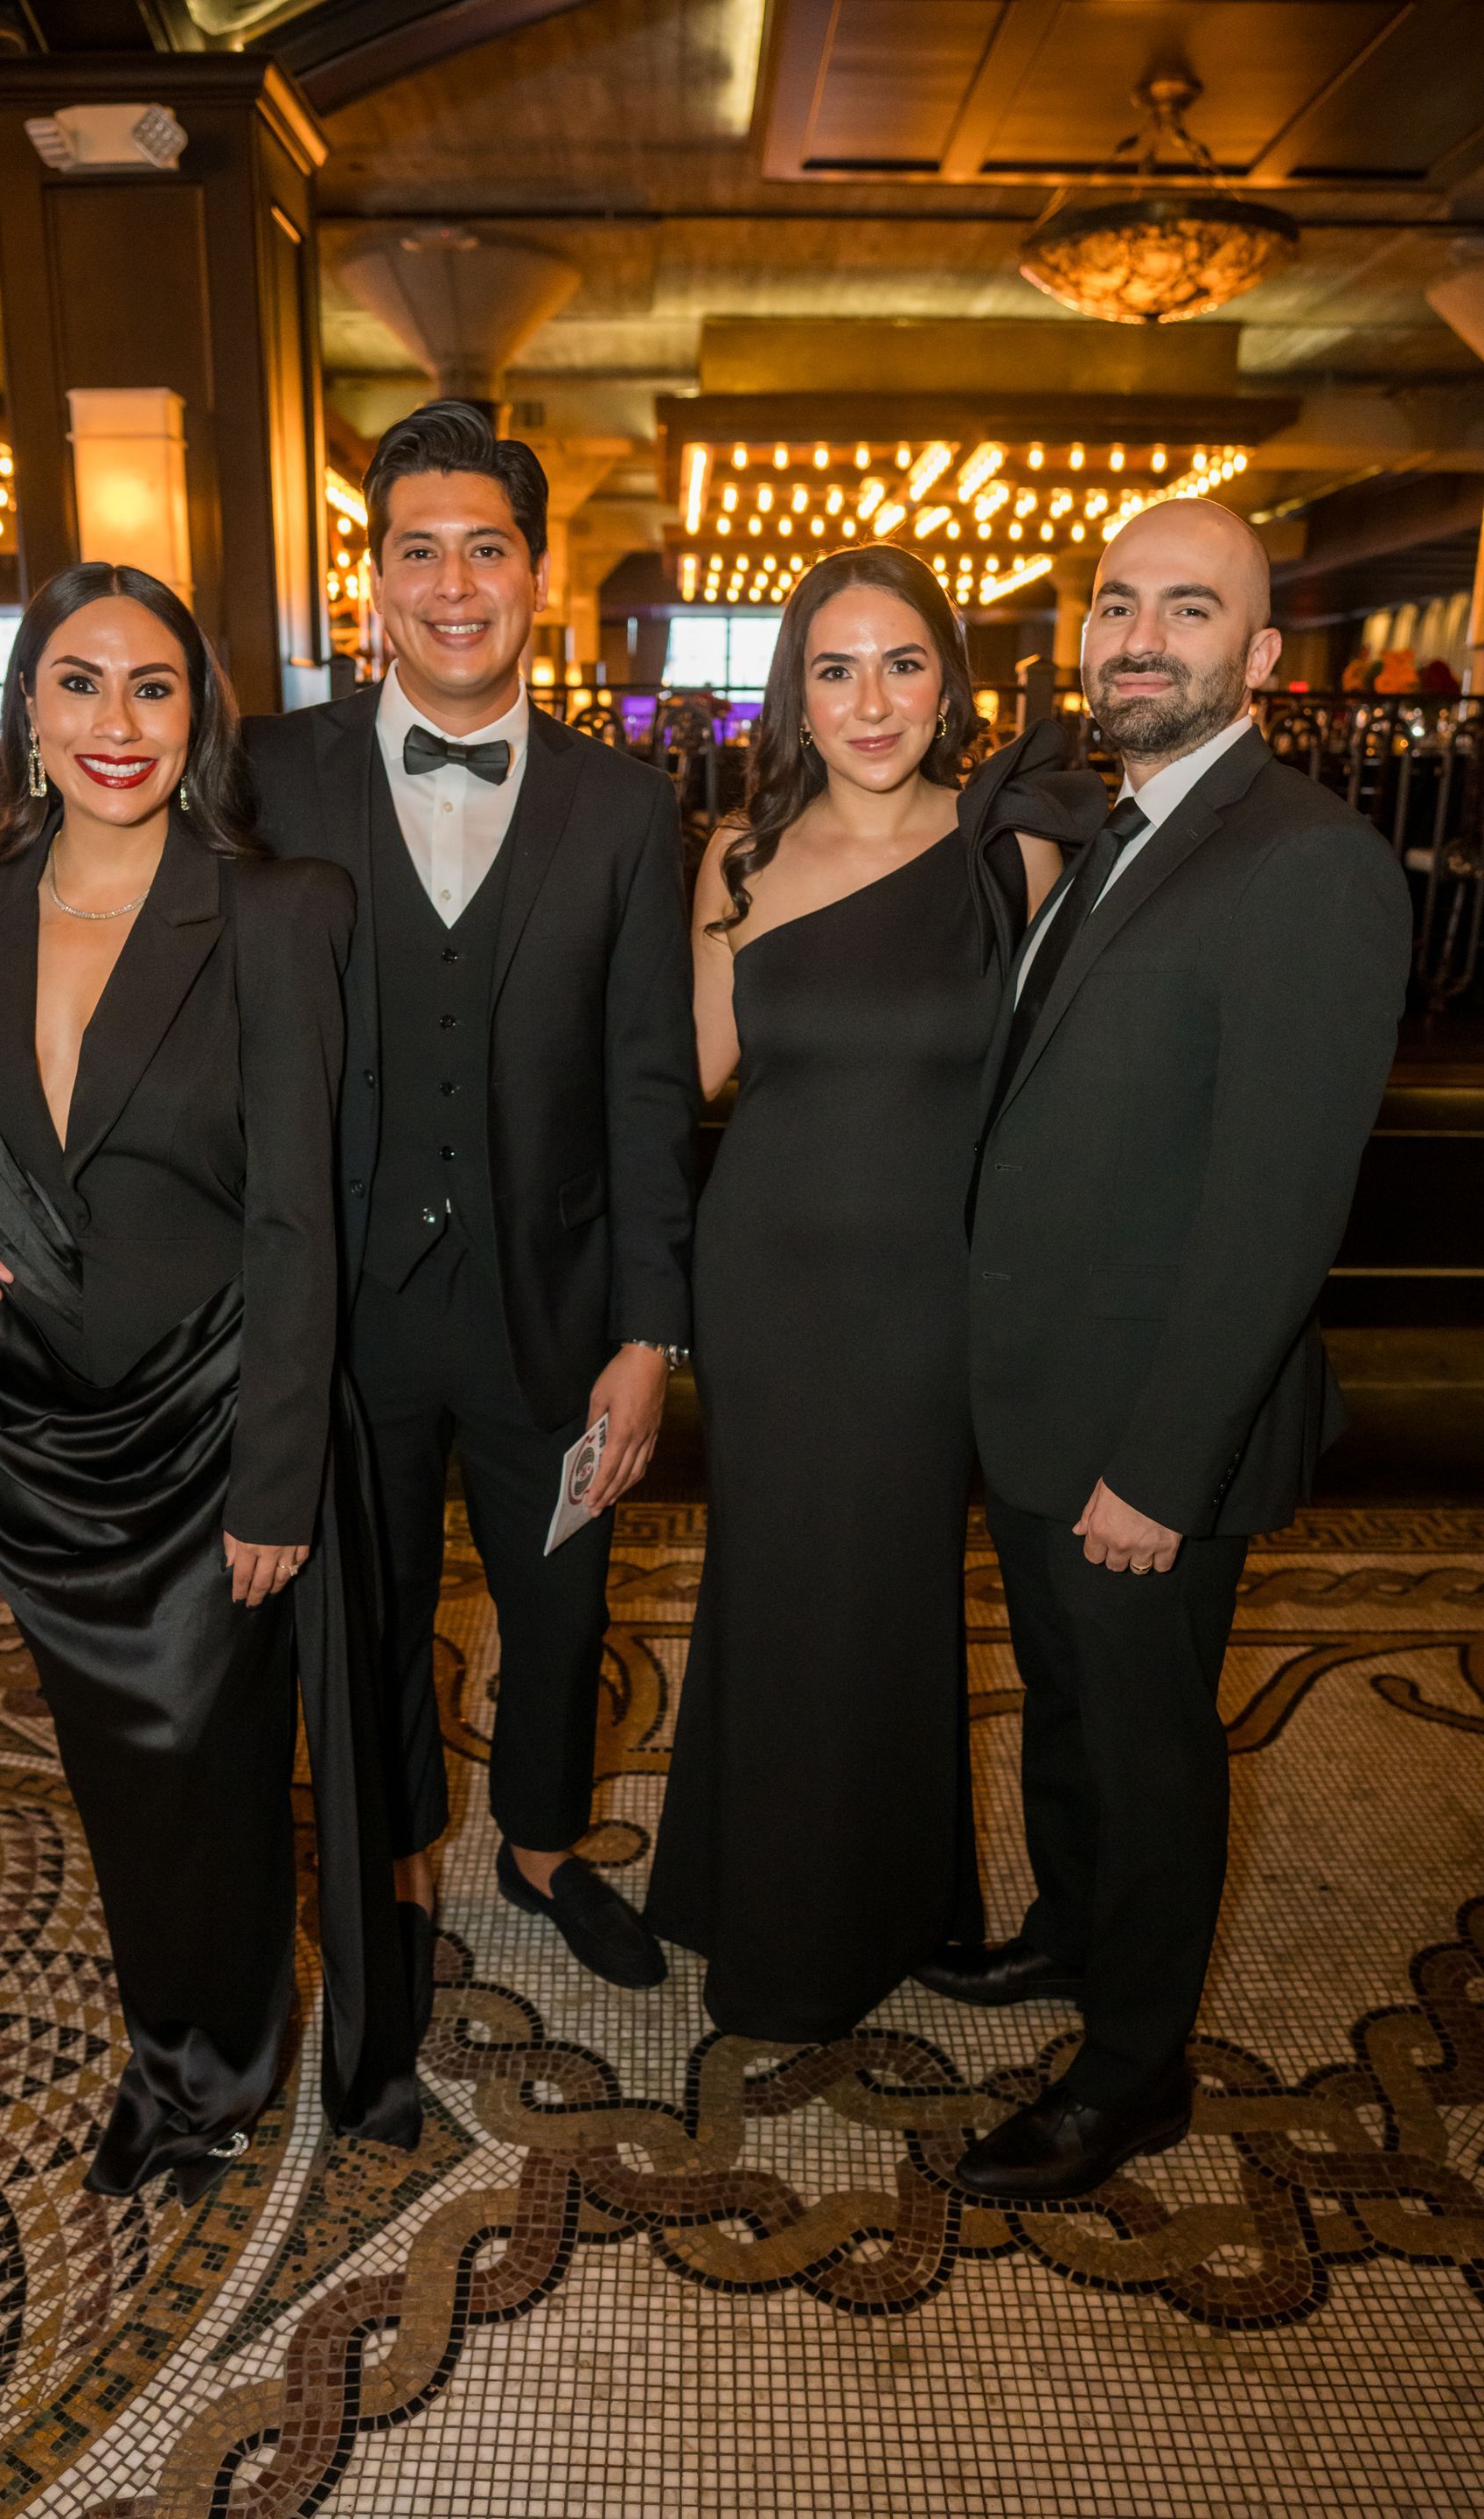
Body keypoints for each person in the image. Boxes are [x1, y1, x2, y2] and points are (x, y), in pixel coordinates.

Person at [0, 563, 418, 2207]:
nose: (114, 724)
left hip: (207, 1415)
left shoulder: (278, 907)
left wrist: (278, 1474)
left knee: (214, 1761)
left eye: (153, 687)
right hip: (31, 1423)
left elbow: (295, 1217)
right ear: (27, 709)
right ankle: (175, 2028)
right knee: (120, 1771)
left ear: (200, 717)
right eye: (78, 683)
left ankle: (210, 2070)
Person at [920, 499, 1411, 2202]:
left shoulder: (1310, 861)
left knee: (1147, 1746)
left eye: (1186, 609)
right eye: (1118, 604)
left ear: (1263, 656)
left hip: (1147, 1436)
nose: (1139, 636)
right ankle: (1071, 1932)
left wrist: (1160, 1462)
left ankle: (1131, 2076)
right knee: (1065, 1711)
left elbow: (1277, 1210)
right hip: (1043, 1403)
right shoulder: (1118, 829)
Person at [644, 547, 1105, 2041]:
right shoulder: (740, 856)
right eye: (833, 669)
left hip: (927, 1296)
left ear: (947, 681)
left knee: (894, 1602)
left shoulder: (1012, 853)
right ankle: (753, 1912)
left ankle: (889, 1910)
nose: (870, 699)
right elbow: (682, 1080)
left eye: (901, 662)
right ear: (795, 693)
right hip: (766, 1283)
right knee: (771, 1593)